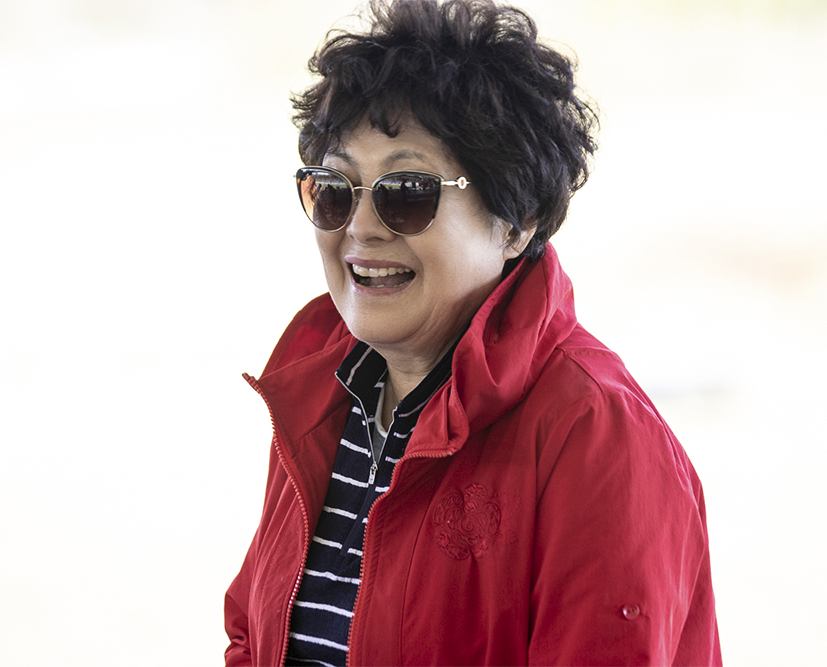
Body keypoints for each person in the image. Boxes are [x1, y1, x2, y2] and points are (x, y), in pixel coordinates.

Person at [224, 0, 721, 664]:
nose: (361, 228)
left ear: (516, 221)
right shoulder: (320, 396)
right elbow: (252, 635)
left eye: (406, 191)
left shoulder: (597, 433)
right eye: (335, 189)